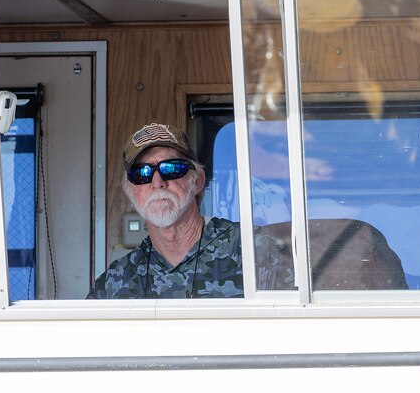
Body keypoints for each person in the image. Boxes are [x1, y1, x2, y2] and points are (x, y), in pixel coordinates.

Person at [88, 123, 293, 298]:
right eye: (142, 173)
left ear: (198, 181)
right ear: (129, 190)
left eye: (172, 168)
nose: (157, 182)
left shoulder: (255, 250)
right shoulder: (115, 282)